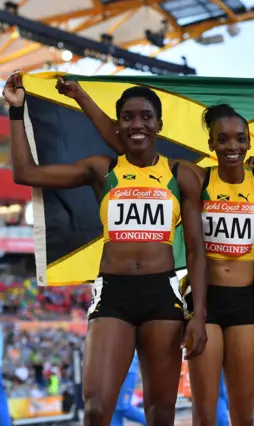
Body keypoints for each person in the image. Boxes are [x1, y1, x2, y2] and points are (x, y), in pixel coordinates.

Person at [55, 76, 254, 426]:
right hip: (204, 304)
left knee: (243, 415)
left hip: (246, 304)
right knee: (204, 415)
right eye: (223, 139)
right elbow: (127, 142)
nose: (232, 146)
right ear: (211, 143)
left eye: (240, 139)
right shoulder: (197, 178)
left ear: (249, 143)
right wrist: (81, 97)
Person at [5, 71, 208, 426]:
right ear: (118, 124)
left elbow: (195, 251)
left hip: (163, 293)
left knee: (161, 414)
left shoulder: (181, 174)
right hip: (113, 293)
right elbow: (24, 173)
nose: (137, 123)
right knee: (97, 408)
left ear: (159, 123)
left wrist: (200, 315)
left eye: (146, 116)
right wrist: (17, 111)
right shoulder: (103, 169)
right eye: (127, 117)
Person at [110, 352, 146, 426]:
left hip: (128, 370)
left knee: (123, 408)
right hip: (113, 371)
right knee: (114, 410)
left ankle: (154, 422)